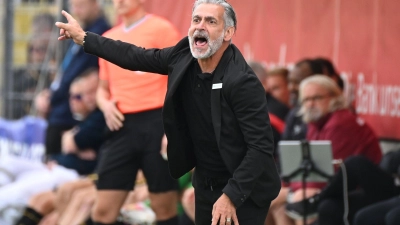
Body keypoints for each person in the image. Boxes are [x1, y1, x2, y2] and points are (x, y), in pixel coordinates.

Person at [55, 0, 281, 224]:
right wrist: (85, 38)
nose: (200, 26)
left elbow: (260, 147)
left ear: (228, 32)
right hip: (205, 183)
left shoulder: (242, 81)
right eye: (196, 19)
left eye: (211, 21)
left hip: (243, 188)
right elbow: (134, 56)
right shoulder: (182, 56)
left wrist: (231, 195)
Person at [83, 0, 181, 225]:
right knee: (103, 211)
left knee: (163, 207)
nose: (119, 1)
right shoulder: (108, 36)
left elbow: (180, 79)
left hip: (157, 122)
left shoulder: (162, 28)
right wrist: (105, 105)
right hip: (121, 125)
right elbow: (102, 88)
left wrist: (174, 128)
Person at [38, 0, 110, 162]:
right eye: (73, 5)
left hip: (72, 116)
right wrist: (49, 94)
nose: (76, 10)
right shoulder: (83, 29)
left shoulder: (98, 32)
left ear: (96, 4)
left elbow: (76, 75)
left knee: (61, 166)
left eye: (81, 5)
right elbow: (67, 73)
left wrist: (52, 97)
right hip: (64, 112)